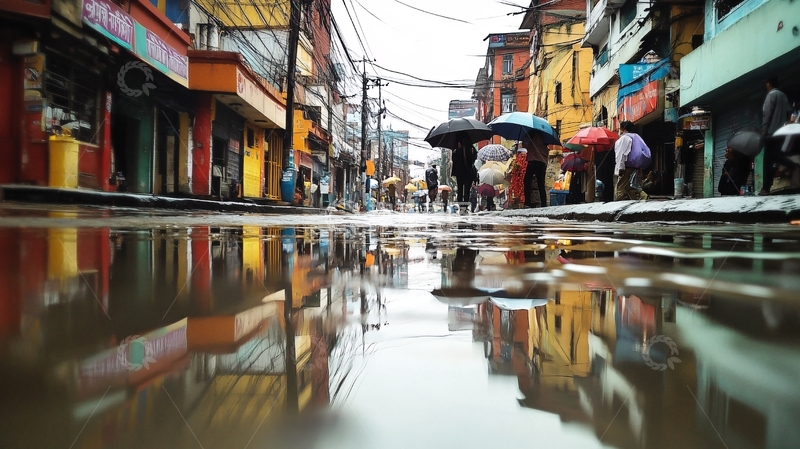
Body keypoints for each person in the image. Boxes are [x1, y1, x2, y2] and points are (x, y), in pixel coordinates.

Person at [761, 76, 792, 195]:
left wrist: (764, 132)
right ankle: (792, 166)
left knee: (768, 160)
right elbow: (789, 112)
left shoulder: (771, 95)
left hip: (770, 134)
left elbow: (767, 115)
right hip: (781, 133)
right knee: (777, 157)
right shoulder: (783, 96)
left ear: (768, 84)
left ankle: (766, 188)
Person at [614, 121, 649, 201]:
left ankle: (621, 204)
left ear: (622, 128)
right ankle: (642, 196)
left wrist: (620, 168)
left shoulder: (624, 138)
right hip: (634, 165)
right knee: (629, 186)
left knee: (620, 187)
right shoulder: (635, 137)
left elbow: (622, 153)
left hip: (625, 166)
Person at [520, 131, 548, 208]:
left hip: (532, 162)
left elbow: (525, 145)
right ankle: (543, 203)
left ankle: (527, 202)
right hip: (542, 163)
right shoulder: (544, 137)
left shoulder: (530, 135)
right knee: (541, 184)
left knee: (527, 182)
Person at [452, 139, 478, 203]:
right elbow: (474, 158)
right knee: (467, 190)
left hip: (459, 173)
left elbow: (454, 162)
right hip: (468, 173)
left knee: (460, 190)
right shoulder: (471, 150)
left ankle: (461, 207)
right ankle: (465, 206)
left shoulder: (456, 151)